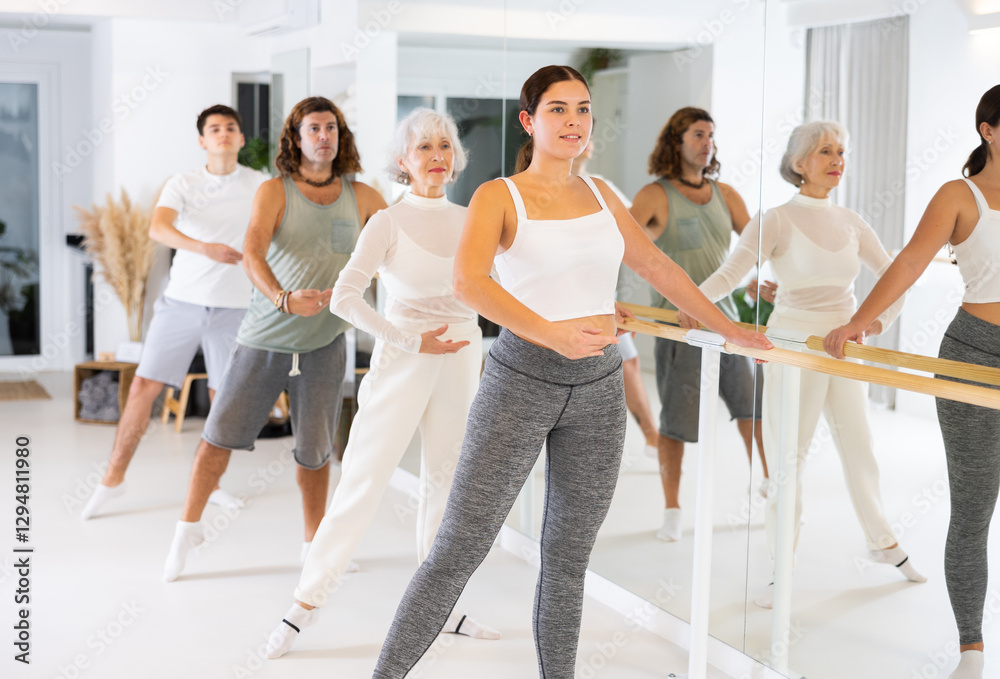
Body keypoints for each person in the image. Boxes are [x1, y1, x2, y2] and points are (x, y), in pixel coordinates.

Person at [370, 65, 771, 679]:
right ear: (530, 122)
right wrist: (552, 331)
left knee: (568, 558)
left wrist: (731, 329)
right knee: (459, 548)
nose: (574, 121)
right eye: (558, 109)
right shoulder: (498, 195)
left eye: (583, 109)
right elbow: (468, 281)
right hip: (519, 380)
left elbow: (659, 268)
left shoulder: (604, 194)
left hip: (599, 388)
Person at [264, 108, 498, 658]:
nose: (437, 156)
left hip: (461, 358)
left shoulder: (471, 220)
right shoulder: (387, 222)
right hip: (404, 359)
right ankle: (303, 608)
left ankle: (443, 608)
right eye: (424, 148)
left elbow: (500, 289)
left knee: (447, 484)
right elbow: (346, 297)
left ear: (455, 158)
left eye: (444, 146)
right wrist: (410, 340)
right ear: (403, 161)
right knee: (364, 482)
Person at [689, 120, 926, 608]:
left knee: (859, 447)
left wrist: (875, 325)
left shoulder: (852, 221)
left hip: (843, 347)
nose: (837, 159)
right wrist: (690, 303)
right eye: (825, 151)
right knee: (787, 461)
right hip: (794, 344)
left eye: (841, 151)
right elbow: (733, 272)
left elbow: (895, 277)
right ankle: (781, 567)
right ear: (800, 165)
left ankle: (881, 542)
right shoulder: (775, 218)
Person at [162, 96, 387, 581]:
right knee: (218, 439)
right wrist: (284, 299)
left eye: (331, 127)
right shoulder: (275, 190)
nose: (323, 136)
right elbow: (251, 253)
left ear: (340, 136)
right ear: (297, 137)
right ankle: (186, 531)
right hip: (265, 337)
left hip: (326, 343)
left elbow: (396, 253)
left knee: (315, 449)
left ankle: (313, 546)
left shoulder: (364, 197)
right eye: (313, 129)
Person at [825, 85, 1000, 679]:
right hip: (973, 355)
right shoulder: (961, 195)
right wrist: (858, 319)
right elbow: (907, 263)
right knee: (975, 509)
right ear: (988, 130)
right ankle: (971, 649)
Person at [81, 105, 267, 520]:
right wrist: (205, 249)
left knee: (224, 400)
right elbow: (157, 228)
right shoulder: (183, 183)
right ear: (202, 140)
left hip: (236, 309)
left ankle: (212, 484)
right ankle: (112, 478)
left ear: (240, 139)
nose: (223, 134)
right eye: (214, 129)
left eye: (231, 128)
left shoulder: (261, 184)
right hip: (180, 304)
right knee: (144, 386)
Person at [630, 107, 768, 542]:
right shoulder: (654, 196)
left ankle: (767, 488)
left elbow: (757, 248)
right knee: (676, 425)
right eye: (697, 135)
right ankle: (672, 510)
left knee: (752, 409)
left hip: (726, 327)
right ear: (676, 141)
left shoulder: (727, 195)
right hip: (680, 330)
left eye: (711, 135)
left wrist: (755, 285)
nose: (707, 143)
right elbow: (621, 250)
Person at [570, 137, 659, 457]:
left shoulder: (601, 187)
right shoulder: (540, 187)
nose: (586, 137)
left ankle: (652, 436)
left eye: (585, 118)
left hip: (602, 299)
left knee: (628, 362)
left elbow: (637, 228)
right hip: (563, 304)